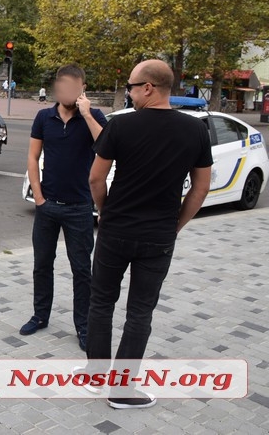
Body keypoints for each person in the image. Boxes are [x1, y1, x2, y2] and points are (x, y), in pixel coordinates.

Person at [83, 60, 212, 409]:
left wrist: (106, 212)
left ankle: (96, 377)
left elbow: (96, 178)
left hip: (115, 230)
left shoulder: (121, 126)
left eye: (131, 85)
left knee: (101, 302)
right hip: (158, 236)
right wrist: (175, 225)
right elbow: (200, 190)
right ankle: (122, 391)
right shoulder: (196, 131)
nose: (129, 91)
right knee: (140, 312)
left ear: (149, 87)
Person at [20, 64, 107, 352]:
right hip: (48, 207)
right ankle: (40, 315)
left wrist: (86, 114)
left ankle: (83, 327)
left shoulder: (94, 117)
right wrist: (40, 197)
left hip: (80, 207)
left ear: (83, 87)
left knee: (82, 270)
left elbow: (107, 147)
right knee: (41, 265)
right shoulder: (44, 117)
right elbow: (33, 157)